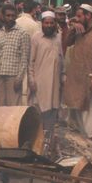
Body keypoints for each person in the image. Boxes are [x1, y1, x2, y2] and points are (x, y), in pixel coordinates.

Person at [63, 5, 92, 138]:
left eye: (79, 16)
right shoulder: (78, 29)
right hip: (75, 74)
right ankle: (80, 135)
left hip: (90, 76)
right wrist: (73, 28)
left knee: (89, 108)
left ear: (88, 16)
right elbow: (68, 43)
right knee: (75, 105)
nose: (77, 18)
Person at [29, 11, 63, 147]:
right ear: (42, 24)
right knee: (39, 111)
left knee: (52, 112)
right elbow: (30, 61)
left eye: (51, 23)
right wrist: (31, 79)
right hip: (40, 82)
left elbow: (61, 58)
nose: (49, 25)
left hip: (55, 83)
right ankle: (35, 141)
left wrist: (63, 75)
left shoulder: (58, 38)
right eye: (46, 23)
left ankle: (47, 143)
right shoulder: (36, 38)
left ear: (55, 24)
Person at [0, 4, 30, 106]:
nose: (10, 18)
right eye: (8, 15)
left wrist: (19, 78)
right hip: (0, 74)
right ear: (3, 16)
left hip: (13, 76)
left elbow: (24, 58)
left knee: (13, 106)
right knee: (0, 106)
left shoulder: (22, 33)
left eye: (13, 16)